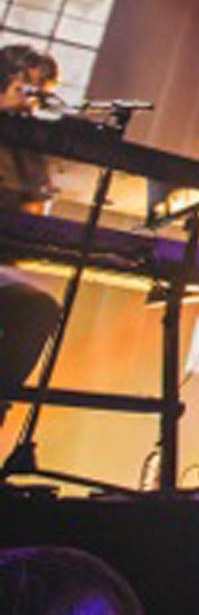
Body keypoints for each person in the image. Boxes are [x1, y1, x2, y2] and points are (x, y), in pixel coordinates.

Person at [0, 44, 65, 427]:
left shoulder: (29, 144)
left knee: (39, 307)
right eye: (28, 84)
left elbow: (33, 224)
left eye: (43, 87)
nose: (34, 96)